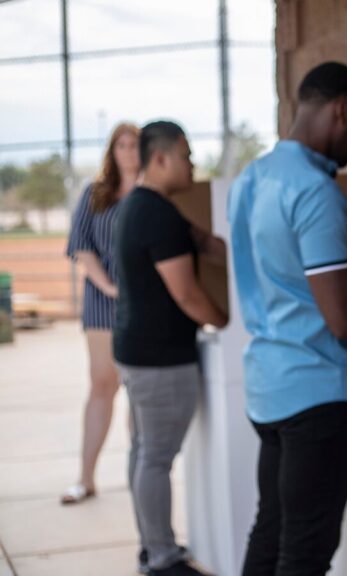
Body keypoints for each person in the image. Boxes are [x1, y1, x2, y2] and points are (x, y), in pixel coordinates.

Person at [228, 61, 347, 576]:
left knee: (272, 531)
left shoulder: (251, 179)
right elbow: (343, 318)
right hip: (318, 396)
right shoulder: (316, 193)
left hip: (266, 388)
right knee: (303, 554)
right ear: (341, 112)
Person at [113, 120, 228, 576]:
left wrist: (222, 244)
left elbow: (203, 243)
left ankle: (151, 545)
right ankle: (161, 558)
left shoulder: (143, 207)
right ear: (160, 158)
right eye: (185, 154)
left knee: (144, 452)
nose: (193, 163)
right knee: (155, 457)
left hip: (138, 351)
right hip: (159, 359)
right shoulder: (156, 214)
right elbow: (187, 294)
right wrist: (226, 320)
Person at [62, 122, 139, 505]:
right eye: (121, 144)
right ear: (112, 150)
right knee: (101, 385)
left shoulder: (150, 195)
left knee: (137, 391)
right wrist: (109, 286)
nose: (127, 151)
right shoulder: (95, 194)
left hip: (142, 303)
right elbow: (81, 246)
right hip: (102, 301)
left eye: (134, 144)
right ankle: (85, 477)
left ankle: (137, 478)